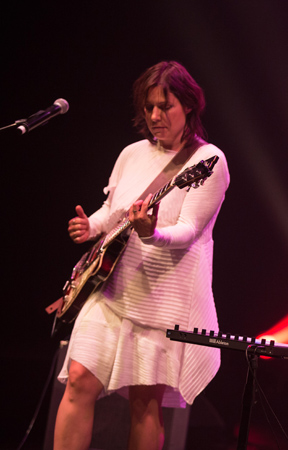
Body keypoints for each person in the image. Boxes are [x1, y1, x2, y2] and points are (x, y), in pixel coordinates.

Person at [54, 61, 230, 450]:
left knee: (144, 406)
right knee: (78, 380)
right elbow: (113, 209)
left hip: (162, 300)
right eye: (148, 106)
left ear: (188, 105)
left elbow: (189, 230)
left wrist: (152, 233)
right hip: (112, 289)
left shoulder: (209, 161)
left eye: (164, 106)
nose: (154, 116)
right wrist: (91, 226)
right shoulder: (132, 153)